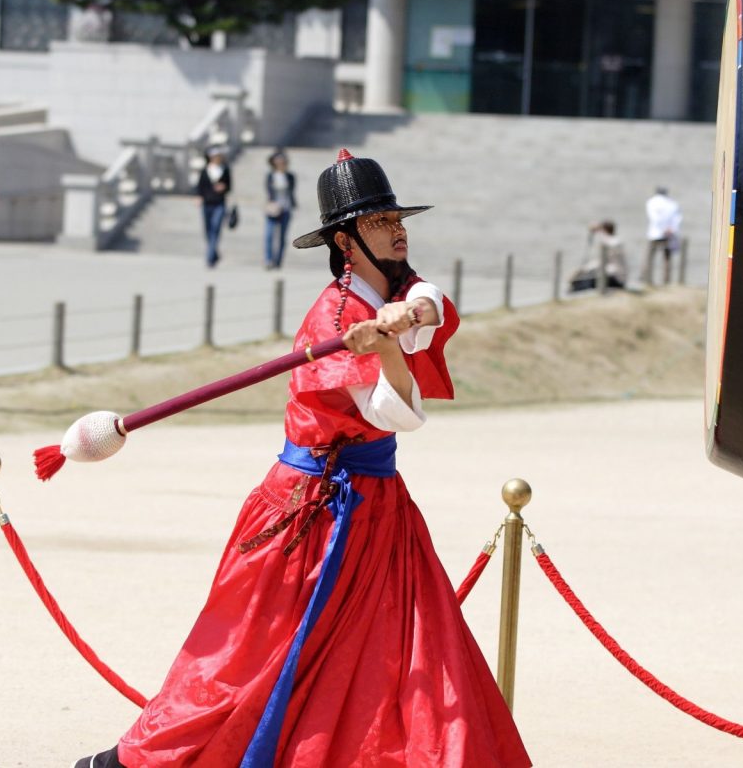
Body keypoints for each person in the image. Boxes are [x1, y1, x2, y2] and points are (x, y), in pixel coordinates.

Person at [73, 149, 531, 768]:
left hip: (376, 510)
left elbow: (434, 300)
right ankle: (128, 763)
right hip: (309, 516)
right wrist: (388, 342)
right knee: (245, 659)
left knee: (400, 656)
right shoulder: (336, 315)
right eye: (378, 222)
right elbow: (399, 414)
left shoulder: (393, 288)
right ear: (346, 241)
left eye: (398, 217)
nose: (396, 229)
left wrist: (408, 315)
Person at [196, 146, 232, 268]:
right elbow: (200, 186)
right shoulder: (205, 170)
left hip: (219, 203)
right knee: (207, 230)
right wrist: (199, 197)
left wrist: (223, 188)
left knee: (216, 228)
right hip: (207, 203)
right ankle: (214, 253)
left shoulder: (225, 169)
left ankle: (209, 258)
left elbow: (229, 186)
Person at [568, 220, 627, 292]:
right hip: (612, 276)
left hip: (617, 279)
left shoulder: (614, 242)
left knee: (585, 282)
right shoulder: (612, 241)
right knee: (584, 278)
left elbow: (608, 242)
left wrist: (583, 270)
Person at [642, 186, 681, 286]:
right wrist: (671, 229)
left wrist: (662, 229)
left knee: (649, 257)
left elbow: (654, 218)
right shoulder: (672, 203)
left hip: (655, 233)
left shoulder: (652, 202)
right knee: (667, 259)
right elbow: (677, 218)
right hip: (669, 234)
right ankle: (666, 281)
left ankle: (647, 280)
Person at [264, 149, 297, 270]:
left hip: (286, 208)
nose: (280, 163)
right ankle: (268, 259)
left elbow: (291, 192)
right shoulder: (271, 176)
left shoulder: (290, 176)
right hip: (273, 208)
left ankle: (278, 261)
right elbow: (268, 191)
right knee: (269, 235)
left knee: (282, 236)